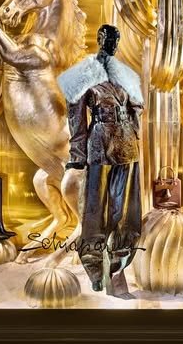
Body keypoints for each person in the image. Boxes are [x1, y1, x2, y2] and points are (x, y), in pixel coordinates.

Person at [58, 24, 143, 299]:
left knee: (125, 211)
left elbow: (135, 109)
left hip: (127, 146)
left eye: (116, 40)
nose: (112, 44)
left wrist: (134, 132)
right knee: (95, 211)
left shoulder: (124, 74)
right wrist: (77, 156)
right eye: (108, 38)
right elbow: (76, 119)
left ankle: (118, 265)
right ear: (99, 39)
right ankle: (95, 268)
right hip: (99, 145)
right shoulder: (84, 73)